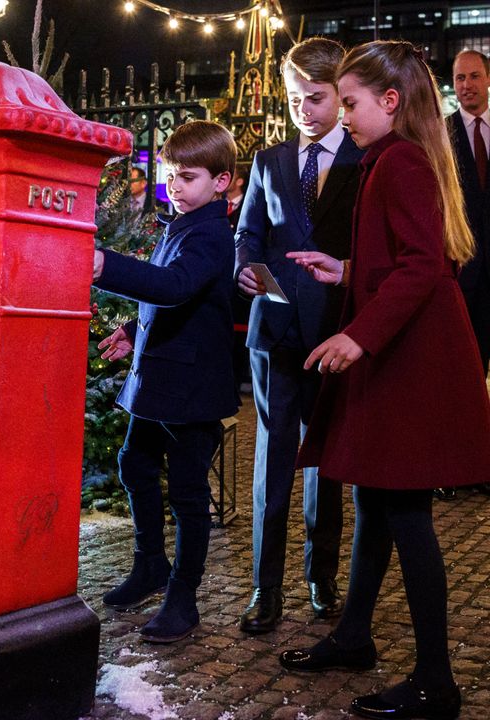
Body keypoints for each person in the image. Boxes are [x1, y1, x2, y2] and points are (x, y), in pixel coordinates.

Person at [279, 40, 490, 720]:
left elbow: (423, 266)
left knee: (405, 513)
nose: (343, 115)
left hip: (407, 359)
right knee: (377, 502)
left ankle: (435, 681)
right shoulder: (397, 158)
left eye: (349, 103)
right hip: (406, 353)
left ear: (390, 102)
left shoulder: (397, 160)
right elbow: (410, 257)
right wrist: (343, 271)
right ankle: (353, 636)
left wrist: (355, 333)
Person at [91, 120, 239, 643]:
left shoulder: (214, 234)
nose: (175, 186)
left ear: (221, 182)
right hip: (159, 377)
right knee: (134, 463)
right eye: (170, 175)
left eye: (189, 177)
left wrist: (104, 263)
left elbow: (176, 286)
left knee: (188, 494)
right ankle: (150, 563)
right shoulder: (182, 223)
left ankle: (183, 596)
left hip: (192, 387)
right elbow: (180, 299)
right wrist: (134, 328)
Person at [233, 37, 360, 635]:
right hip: (275, 331)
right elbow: (249, 236)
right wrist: (245, 269)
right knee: (271, 460)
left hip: (336, 331)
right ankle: (265, 586)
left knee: (326, 461)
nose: (301, 110)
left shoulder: (367, 161)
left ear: (341, 96)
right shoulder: (269, 161)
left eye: (314, 98)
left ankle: (321, 575)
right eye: (292, 99)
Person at [449, 49, 490, 378]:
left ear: (488, 79)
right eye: (460, 78)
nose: (466, 84)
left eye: (474, 76)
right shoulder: (440, 134)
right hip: (463, 268)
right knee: (467, 368)